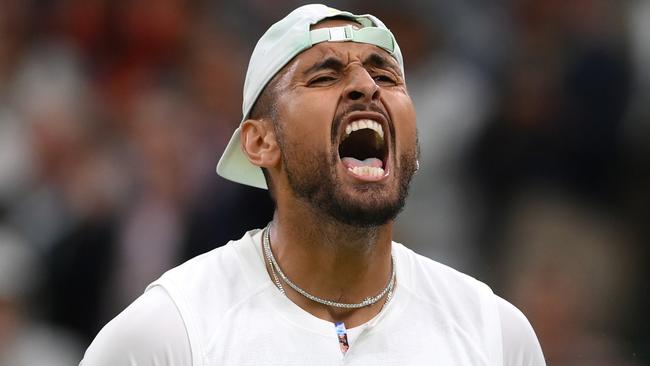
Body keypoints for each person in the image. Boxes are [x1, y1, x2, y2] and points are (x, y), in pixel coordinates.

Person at [80, 4, 546, 365]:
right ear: (260, 142)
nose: (367, 86)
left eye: (385, 74)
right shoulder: (167, 332)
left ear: (414, 145)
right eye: (324, 75)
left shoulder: (495, 334)